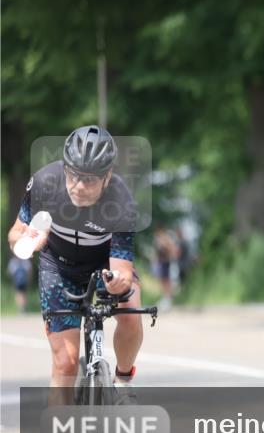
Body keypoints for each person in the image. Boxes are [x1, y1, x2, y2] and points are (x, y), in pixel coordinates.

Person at [6, 125, 143, 404]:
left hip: (103, 264)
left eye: (90, 179)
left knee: (130, 314)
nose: (79, 186)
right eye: (74, 175)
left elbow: (123, 271)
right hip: (58, 265)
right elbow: (14, 233)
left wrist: (119, 281)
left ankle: (123, 381)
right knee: (66, 363)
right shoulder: (45, 183)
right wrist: (25, 240)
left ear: (108, 177)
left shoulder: (122, 201)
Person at [153, 225, 181, 310]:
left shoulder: (165, 239)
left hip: (166, 263)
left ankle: (168, 299)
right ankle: (165, 298)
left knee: (166, 281)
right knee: (163, 281)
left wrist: (164, 246)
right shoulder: (158, 240)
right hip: (161, 263)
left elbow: (173, 249)